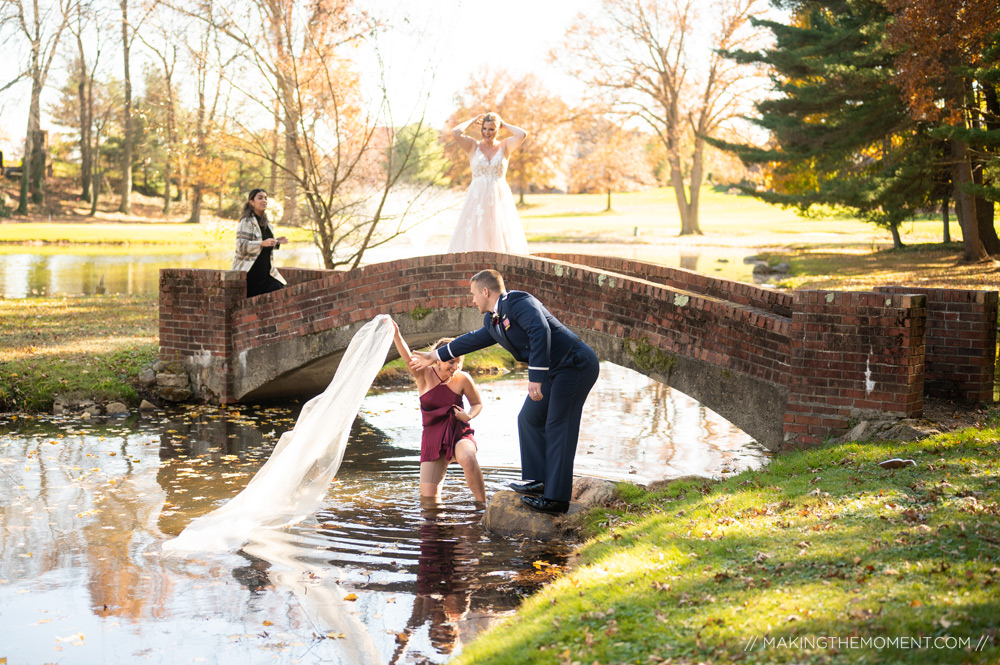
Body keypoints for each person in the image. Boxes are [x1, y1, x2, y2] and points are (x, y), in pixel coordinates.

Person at [409, 270, 600, 515]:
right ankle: (538, 481)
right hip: (555, 370)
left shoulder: (520, 301)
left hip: (574, 364)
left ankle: (556, 499)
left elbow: (540, 330)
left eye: (473, 294)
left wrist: (536, 376)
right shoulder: (492, 320)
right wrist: (435, 355)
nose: (472, 300)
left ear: (485, 291)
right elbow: (472, 340)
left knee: (558, 425)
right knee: (528, 419)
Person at [392, 321, 487, 503]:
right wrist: (396, 333)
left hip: (459, 433)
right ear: (438, 359)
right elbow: (406, 357)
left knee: (467, 457)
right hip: (432, 439)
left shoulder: (463, 378)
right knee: (429, 501)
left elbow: (477, 404)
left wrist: (468, 416)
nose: (455, 367)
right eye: (452, 362)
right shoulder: (424, 375)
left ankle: (482, 508)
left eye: (458, 363)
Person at [446, 112, 529, 254]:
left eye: (491, 129)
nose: (487, 132)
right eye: (484, 129)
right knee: (477, 234)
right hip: (477, 200)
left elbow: (522, 134)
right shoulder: (473, 146)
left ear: (498, 130)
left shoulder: (505, 147)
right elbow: (456, 132)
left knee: (500, 234)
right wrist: (472, 120)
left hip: (499, 199)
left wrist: (505, 124)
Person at [232, 188, 288, 298]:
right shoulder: (246, 222)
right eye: (260, 198)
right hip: (251, 274)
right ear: (251, 202)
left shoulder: (266, 223)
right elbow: (241, 245)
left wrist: (276, 242)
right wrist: (261, 244)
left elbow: (264, 244)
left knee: (283, 293)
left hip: (266, 273)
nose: (264, 200)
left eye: (266, 198)